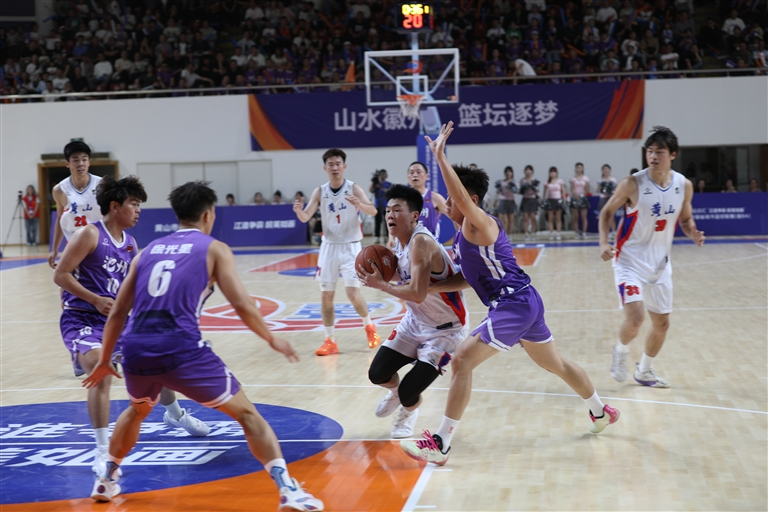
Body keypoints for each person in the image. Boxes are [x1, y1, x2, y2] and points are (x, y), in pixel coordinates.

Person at [82, 182, 323, 510]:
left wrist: (105, 360)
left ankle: (106, 478)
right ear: (208, 215)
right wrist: (271, 338)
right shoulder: (214, 248)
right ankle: (288, 490)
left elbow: (118, 312)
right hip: (181, 348)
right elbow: (242, 304)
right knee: (248, 414)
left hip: (135, 348)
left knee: (138, 409)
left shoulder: (147, 251)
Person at [400, 122, 620, 466]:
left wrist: (440, 157)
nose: (448, 205)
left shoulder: (480, 223)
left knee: (462, 360)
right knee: (556, 364)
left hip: (513, 304)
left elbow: (459, 199)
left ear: (471, 200)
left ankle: (440, 443)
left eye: (454, 199)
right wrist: (431, 287)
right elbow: (468, 278)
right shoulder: (462, 235)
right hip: (525, 301)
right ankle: (601, 410)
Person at [54, 176, 208, 478]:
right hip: (83, 318)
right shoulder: (89, 234)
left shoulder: (130, 244)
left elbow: (132, 286)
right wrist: (95, 299)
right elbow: (61, 274)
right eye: (134, 204)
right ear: (115, 206)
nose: (138, 210)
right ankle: (103, 452)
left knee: (157, 363)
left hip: (117, 320)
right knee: (101, 370)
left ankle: (175, 415)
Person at [599, 126, 705, 388]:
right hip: (628, 262)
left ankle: (645, 371)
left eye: (660, 151)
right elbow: (606, 213)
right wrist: (603, 242)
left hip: (659, 265)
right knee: (636, 318)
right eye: (650, 151)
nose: (654, 156)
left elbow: (685, 219)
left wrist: (692, 232)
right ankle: (621, 351)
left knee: (662, 324)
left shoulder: (683, 185)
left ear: (673, 155)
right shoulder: (632, 183)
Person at [358, 184, 468, 439]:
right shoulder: (400, 243)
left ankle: (409, 410)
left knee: (410, 392)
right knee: (377, 373)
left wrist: (380, 284)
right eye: (388, 210)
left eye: (397, 210)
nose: (390, 215)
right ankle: (396, 393)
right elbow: (404, 275)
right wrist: (376, 272)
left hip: (445, 330)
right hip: (415, 321)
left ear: (414, 216)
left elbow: (418, 293)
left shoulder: (421, 242)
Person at [293, 148, 381, 356]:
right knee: (326, 297)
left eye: (338, 163)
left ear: (344, 166)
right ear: (325, 168)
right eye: (330, 164)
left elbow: (373, 211)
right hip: (329, 247)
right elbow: (306, 217)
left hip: (351, 246)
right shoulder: (320, 191)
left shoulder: (354, 188)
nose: (334, 167)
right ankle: (330, 340)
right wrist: (298, 211)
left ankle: (369, 326)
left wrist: (359, 204)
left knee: (352, 293)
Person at [48, 141, 104, 269]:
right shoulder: (59, 190)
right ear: (67, 164)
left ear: (89, 162)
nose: (80, 164)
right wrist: (54, 249)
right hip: (74, 242)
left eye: (84, 159)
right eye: (75, 160)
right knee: (63, 278)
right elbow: (60, 219)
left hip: (100, 242)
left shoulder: (102, 185)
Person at [406, 161, 448, 239]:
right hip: (408, 242)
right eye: (411, 173)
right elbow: (394, 220)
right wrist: (391, 238)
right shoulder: (402, 199)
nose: (415, 175)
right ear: (408, 177)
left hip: (430, 243)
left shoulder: (435, 197)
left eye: (418, 172)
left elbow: (455, 216)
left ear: (427, 176)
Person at [494, 166, 519, 240]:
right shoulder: (501, 182)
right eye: (507, 171)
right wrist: (496, 201)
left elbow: (518, 191)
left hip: (511, 201)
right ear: (505, 173)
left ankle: (510, 235)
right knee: (504, 220)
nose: (508, 173)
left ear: (512, 173)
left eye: (509, 171)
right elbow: (498, 192)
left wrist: (513, 188)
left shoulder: (514, 182)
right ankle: (503, 235)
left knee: (511, 220)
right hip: (503, 201)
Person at [369, 169, 392, 243]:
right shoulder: (376, 184)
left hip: (386, 205)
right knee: (377, 222)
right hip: (377, 205)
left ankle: (388, 236)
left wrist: (380, 187)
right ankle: (377, 237)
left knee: (387, 222)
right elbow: (370, 190)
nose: (382, 175)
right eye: (381, 174)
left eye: (384, 174)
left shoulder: (388, 184)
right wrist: (373, 182)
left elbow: (389, 191)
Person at [542, 166, 565, 241]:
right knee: (550, 219)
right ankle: (551, 234)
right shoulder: (547, 181)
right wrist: (544, 200)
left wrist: (564, 200)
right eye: (551, 172)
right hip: (550, 201)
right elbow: (544, 192)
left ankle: (558, 233)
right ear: (549, 173)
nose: (553, 173)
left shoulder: (560, 181)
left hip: (558, 200)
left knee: (558, 218)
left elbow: (563, 191)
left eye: (554, 172)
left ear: (557, 173)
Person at [597, 164, 618, 240]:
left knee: (611, 216)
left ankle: (614, 231)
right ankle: (605, 232)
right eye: (604, 169)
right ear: (602, 171)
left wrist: (610, 188)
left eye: (607, 169)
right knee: (603, 216)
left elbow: (616, 189)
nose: (605, 170)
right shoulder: (600, 180)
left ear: (610, 170)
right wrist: (602, 188)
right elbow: (597, 189)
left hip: (611, 198)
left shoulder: (613, 179)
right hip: (603, 198)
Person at [519, 165, 539, 241]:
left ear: (532, 171)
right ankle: (526, 234)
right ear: (525, 171)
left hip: (533, 199)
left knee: (533, 217)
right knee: (525, 218)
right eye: (526, 169)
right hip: (525, 199)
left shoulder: (535, 179)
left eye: (529, 169)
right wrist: (523, 188)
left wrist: (533, 187)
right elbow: (520, 191)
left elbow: (537, 190)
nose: (528, 171)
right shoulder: (522, 180)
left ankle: (533, 233)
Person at [569, 163, 590, 239]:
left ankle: (584, 233)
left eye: (580, 167)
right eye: (577, 167)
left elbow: (587, 189)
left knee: (583, 216)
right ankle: (576, 233)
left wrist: (582, 195)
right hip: (575, 198)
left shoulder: (585, 178)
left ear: (582, 169)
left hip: (583, 198)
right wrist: (576, 196)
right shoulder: (572, 178)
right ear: (575, 169)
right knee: (576, 217)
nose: (579, 169)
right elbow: (572, 189)